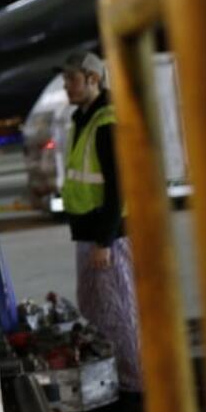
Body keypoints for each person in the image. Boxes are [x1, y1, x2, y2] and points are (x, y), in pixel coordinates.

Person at [59, 51, 142, 393]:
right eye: (65, 81)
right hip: (90, 233)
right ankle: (115, 377)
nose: (67, 87)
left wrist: (105, 242)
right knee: (95, 307)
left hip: (106, 236)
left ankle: (135, 384)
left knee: (119, 311)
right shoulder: (84, 117)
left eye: (72, 80)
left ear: (93, 79)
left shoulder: (106, 121)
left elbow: (118, 187)